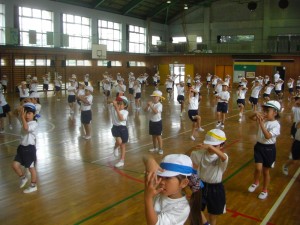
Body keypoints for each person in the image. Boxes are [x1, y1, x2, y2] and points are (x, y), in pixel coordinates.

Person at [143, 154, 202, 225]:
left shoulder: (182, 208)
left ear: (184, 183)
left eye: (168, 178)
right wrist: (150, 160)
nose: (161, 182)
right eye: (160, 176)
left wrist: (148, 198)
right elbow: (145, 156)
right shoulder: (163, 192)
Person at [187, 129, 228, 225]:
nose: (210, 148)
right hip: (201, 185)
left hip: (216, 188)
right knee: (195, 209)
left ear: (222, 145)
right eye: (209, 145)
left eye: (214, 146)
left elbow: (224, 158)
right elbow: (186, 156)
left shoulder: (222, 157)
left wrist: (210, 146)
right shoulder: (201, 153)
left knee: (213, 215)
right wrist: (193, 148)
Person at [248, 100, 281, 200]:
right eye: (264, 110)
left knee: (266, 171)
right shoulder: (264, 119)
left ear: (275, 113)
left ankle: (264, 190)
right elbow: (250, 118)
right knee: (258, 168)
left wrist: (261, 123)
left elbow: (267, 136)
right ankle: (255, 182)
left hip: (269, 149)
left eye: (268, 110)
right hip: (259, 147)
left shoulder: (276, 125)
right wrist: (255, 113)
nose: (265, 113)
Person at [12, 103, 39, 193]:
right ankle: (23, 178)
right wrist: (19, 109)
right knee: (15, 165)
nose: (27, 116)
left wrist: (22, 117)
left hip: (29, 149)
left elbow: (26, 128)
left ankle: (33, 185)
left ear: (34, 114)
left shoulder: (34, 124)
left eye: (29, 113)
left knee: (31, 168)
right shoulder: (24, 120)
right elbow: (14, 113)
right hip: (21, 148)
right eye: (25, 113)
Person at [109, 96, 129, 168]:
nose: (119, 105)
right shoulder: (112, 107)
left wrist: (117, 109)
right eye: (118, 103)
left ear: (125, 105)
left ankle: (122, 160)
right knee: (119, 141)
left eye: (121, 104)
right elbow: (108, 100)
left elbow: (121, 119)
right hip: (115, 128)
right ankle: (115, 147)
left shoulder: (125, 112)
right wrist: (114, 101)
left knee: (123, 145)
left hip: (123, 128)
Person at [145, 90, 164, 155]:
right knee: (153, 136)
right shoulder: (152, 104)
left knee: (158, 136)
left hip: (158, 122)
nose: (153, 98)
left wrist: (151, 106)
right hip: (152, 122)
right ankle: (155, 147)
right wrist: (147, 106)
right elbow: (145, 110)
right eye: (153, 97)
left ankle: (160, 148)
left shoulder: (160, 105)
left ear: (159, 98)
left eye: (155, 97)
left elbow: (156, 112)